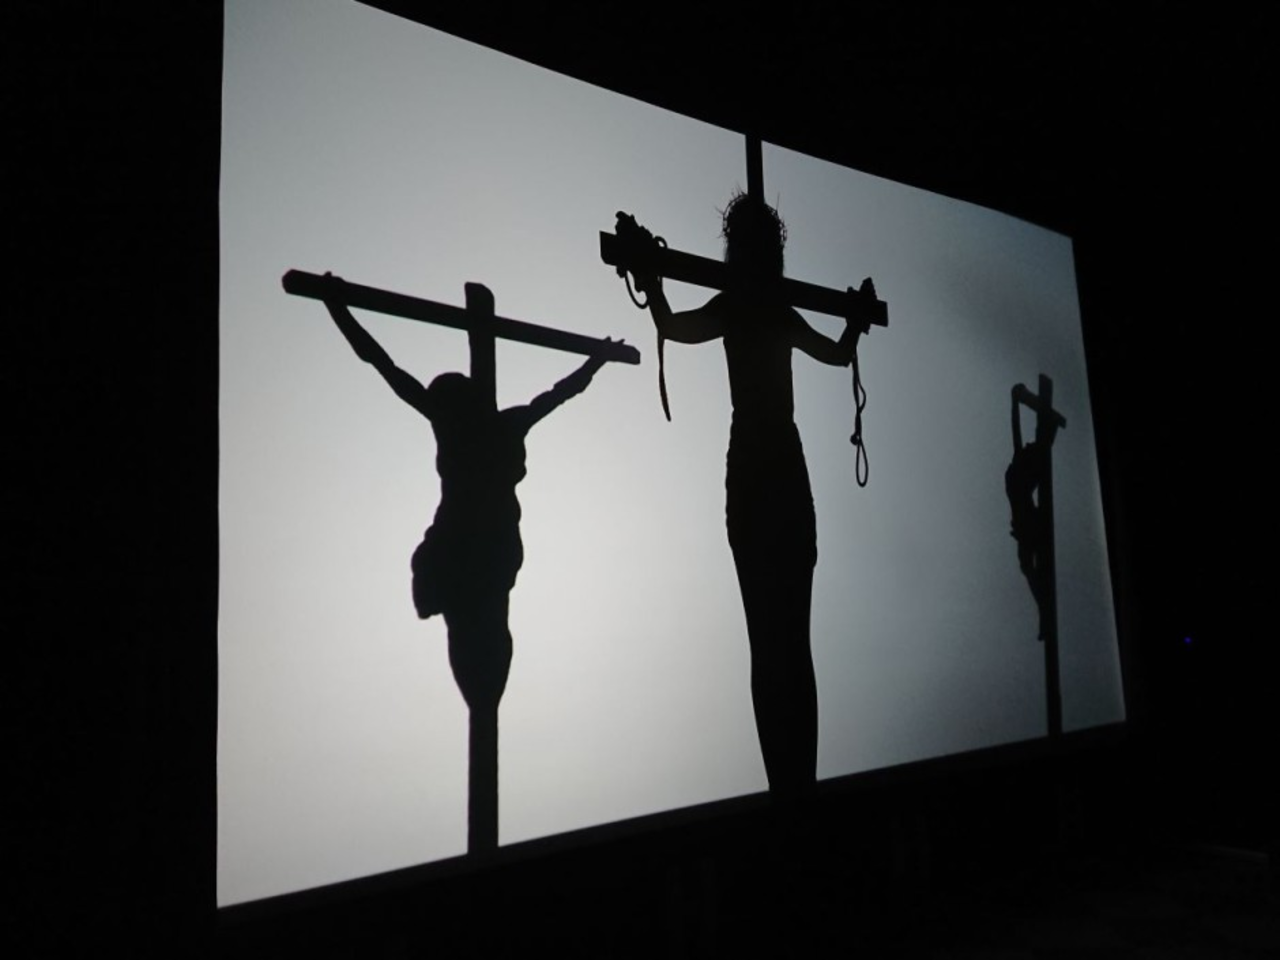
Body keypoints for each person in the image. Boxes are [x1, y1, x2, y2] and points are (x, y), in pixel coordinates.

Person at [625, 194, 863, 794]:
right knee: (789, 641)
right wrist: (855, 320)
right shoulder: (771, 308)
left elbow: (673, 327)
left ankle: (789, 782)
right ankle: (796, 781)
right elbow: (838, 354)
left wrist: (653, 285)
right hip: (776, 468)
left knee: (772, 640)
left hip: (761, 472)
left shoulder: (741, 305)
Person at [323, 282, 614, 715]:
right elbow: (384, 365)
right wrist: (338, 309)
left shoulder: (467, 422)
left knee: (483, 622)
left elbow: (385, 366)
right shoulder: (472, 421)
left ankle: (484, 698)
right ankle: (482, 698)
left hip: (485, 539)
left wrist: (596, 361)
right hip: (465, 539)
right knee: (474, 621)